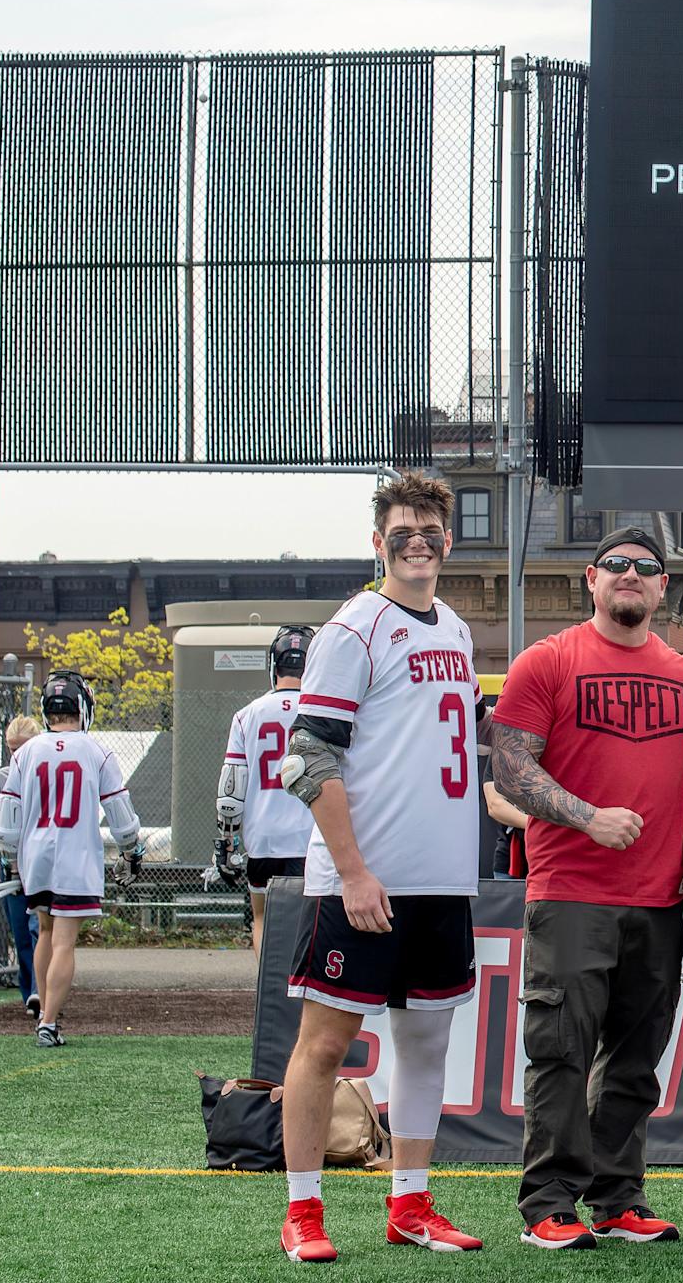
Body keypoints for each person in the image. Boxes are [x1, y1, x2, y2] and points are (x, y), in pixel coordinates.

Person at [274, 470, 485, 1263]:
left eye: (430, 531)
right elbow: (306, 757)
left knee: (425, 1045)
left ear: (448, 540)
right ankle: (302, 1211)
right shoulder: (354, 628)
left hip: (439, 880)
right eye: (403, 532)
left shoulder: (457, 629)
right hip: (364, 879)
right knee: (325, 1047)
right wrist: (354, 870)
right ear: (378, 542)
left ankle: (410, 1204)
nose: (418, 543)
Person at [490, 524, 683, 1250]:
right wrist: (587, 817)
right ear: (591, 578)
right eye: (616, 565)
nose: (630, 575)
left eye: (645, 568)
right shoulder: (547, 661)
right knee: (560, 1050)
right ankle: (549, 1205)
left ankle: (619, 1197)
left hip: (660, 901)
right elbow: (509, 767)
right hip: (570, 892)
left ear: (663, 587)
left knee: (634, 1059)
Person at [0, 671, 143, 1047]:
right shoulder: (96, 750)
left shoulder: (26, 752)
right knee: (64, 941)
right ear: (83, 707)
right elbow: (121, 814)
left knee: (44, 931)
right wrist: (130, 850)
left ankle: (44, 1013)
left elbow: (7, 820)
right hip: (75, 855)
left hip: (37, 854)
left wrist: (11, 854)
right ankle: (48, 1022)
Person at [216, 625, 315, 951]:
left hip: (263, 838)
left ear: (273, 666)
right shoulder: (321, 711)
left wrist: (227, 843)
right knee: (308, 923)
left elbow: (232, 789)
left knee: (262, 919)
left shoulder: (247, 715)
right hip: (310, 837)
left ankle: (268, 992)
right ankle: (299, 996)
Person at [0, 713, 44, 1017]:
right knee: (21, 933)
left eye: (23, 747)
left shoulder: (45, 775)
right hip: (12, 863)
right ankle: (29, 992)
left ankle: (41, 991)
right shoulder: (1, 778)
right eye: (12, 749)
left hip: (41, 862)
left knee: (38, 926)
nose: (17, 755)